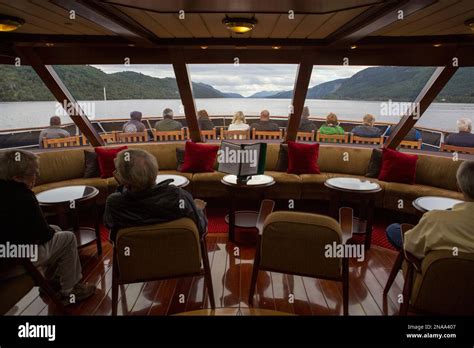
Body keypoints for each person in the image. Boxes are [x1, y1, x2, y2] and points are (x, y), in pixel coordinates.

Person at [0, 150, 95, 305]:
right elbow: (44, 234)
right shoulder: (24, 197)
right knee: (68, 238)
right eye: (33, 174)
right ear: (16, 177)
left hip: (6, 256)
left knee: (56, 229)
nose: (36, 178)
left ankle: (52, 282)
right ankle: (71, 290)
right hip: (18, 261)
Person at [104, 148, 208, 241]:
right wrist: (198, 209)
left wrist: (122, 187)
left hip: (136, 260)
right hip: (178, 258)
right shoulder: (178, 196)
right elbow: (200, 229)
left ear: (124, 181)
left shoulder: (114, 203)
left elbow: (111, 226)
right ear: (155, 171)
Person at [385, 161, 474, 258]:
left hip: (434, 270)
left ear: (459, 188)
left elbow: (410, 244)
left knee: (393, 229)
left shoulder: (435, 218)